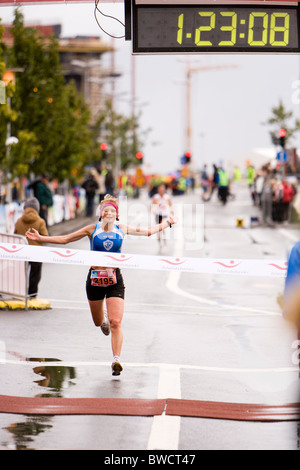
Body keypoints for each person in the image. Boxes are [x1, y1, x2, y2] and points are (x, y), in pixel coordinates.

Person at [26, 194, 176, 376]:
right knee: (99, 322)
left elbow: (148, 231)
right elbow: (66, 239)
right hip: (94, 280)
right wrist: (41, 237)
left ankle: (116, 360)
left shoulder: (122, 228)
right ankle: (102, 320)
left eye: (113, 210)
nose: (109, 212)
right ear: (101, 214)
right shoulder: (92, 229)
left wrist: (167, 223)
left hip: (114, 280)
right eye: (106, 210)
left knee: (116, 322)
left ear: (117, 215)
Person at [14, 197, 49, 298]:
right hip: (36, 253)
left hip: (21, 252)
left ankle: (19, 293)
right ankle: (32, 295)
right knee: (35, 274)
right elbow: (45, 237)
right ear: (36, 209)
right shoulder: (40, 221)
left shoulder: (19, 221)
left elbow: (14, 235)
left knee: (21, 273)